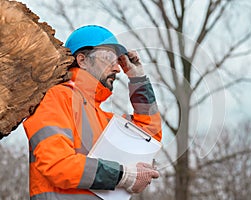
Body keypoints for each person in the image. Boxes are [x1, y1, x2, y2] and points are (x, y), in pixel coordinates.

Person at [23, 25, 162, 200]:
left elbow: (149, 136)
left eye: (117, 60)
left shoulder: (102, 117)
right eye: (109, 58)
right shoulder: (56, 97)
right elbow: (57, 164)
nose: (118, 68)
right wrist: (123, 176)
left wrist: (138, 79)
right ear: (82, 60)